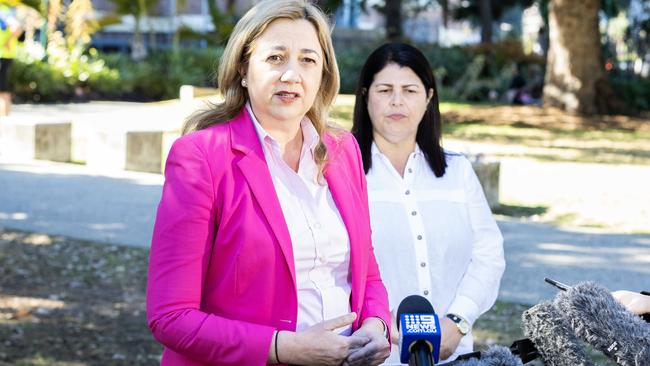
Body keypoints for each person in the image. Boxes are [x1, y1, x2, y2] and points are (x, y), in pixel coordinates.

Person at [146, 1, 390, 365]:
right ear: (243, 68)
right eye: (276, 58)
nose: (292, 74)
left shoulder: (343, 150)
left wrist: (376, 325)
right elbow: (171, 316)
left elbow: (366, 272)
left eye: (308, 60)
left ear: (323, 73)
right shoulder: (201, 157)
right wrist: (282, 348)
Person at [351, 43, 505, 364]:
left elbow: (488, 255)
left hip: (453, 354)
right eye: (384, 89)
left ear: (429, 97)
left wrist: (458, 321)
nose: (397, 101)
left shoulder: (457, 170)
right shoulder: (342, 173)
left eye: (409, 89)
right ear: (365, 96)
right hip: (372, 354)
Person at [0, 4, 21, 116]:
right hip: (4, 55)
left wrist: (7, 42)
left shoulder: (2, 11)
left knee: (2, 91)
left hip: (3, 55)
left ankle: (4, 121)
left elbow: (17, 27)